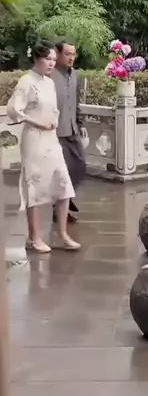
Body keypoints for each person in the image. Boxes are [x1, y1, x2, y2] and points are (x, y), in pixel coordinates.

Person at [6, 40, 81, 253]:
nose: (51, 63)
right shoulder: (26, 82)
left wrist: (54, 121)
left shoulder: (49, 82)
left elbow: (54, 109)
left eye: (53, 60)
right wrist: (37, 122)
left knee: (64, 184)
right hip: (34, 140)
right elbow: (14, 110)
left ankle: (64, 234)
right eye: (48, 59)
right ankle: (34, 238)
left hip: (51, 139)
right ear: (37, 58)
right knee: (35, 188)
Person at [51, 40, 87, 224]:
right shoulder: (49, 76)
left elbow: (76, 103)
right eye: (67, 54)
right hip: (56, 132)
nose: (71, 57)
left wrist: (81, 124)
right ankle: (60, 208)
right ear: (57, 55)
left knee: (80, 165)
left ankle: (65, 199)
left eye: (73, 54)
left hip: (73, 129)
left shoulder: (75, 75)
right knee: (62, 171)